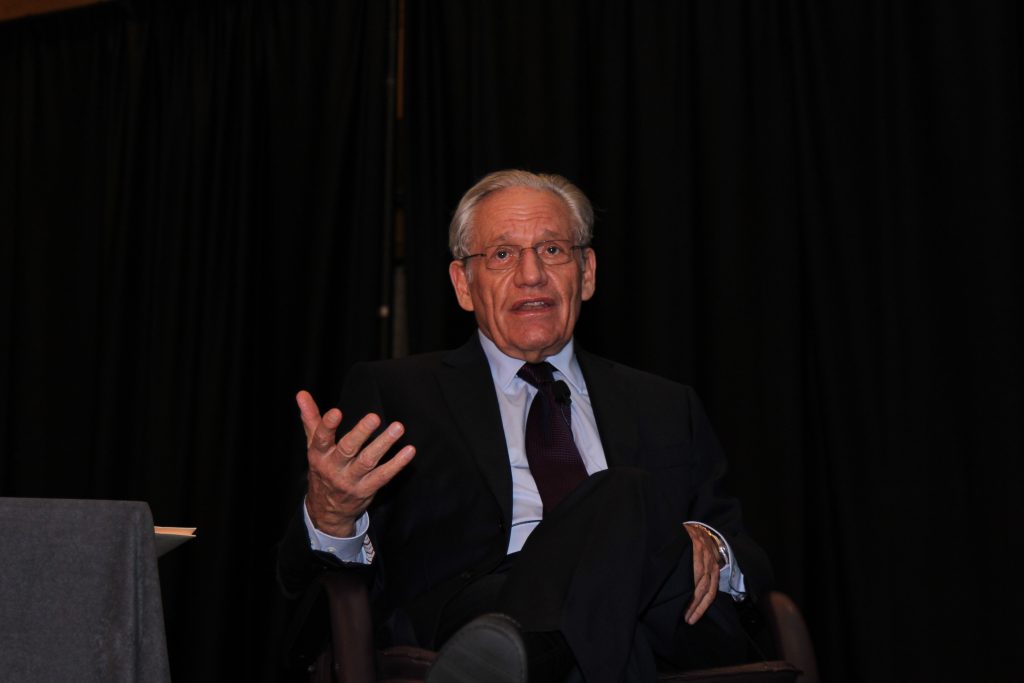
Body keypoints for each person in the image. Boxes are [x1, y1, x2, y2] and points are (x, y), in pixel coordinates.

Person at [277, 170, 772, 682]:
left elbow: (750, 554)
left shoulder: (666, 403)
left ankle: (519, 661)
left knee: (628, 499)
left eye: (553, 250)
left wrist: (711, 544)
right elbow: (307, 595)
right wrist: (332, 517)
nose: (532, 274)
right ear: (463, 285)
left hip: (664, 617)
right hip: (486, 607)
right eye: (502, 254)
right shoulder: (399, 394)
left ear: (587, 272)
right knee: (625, 515)